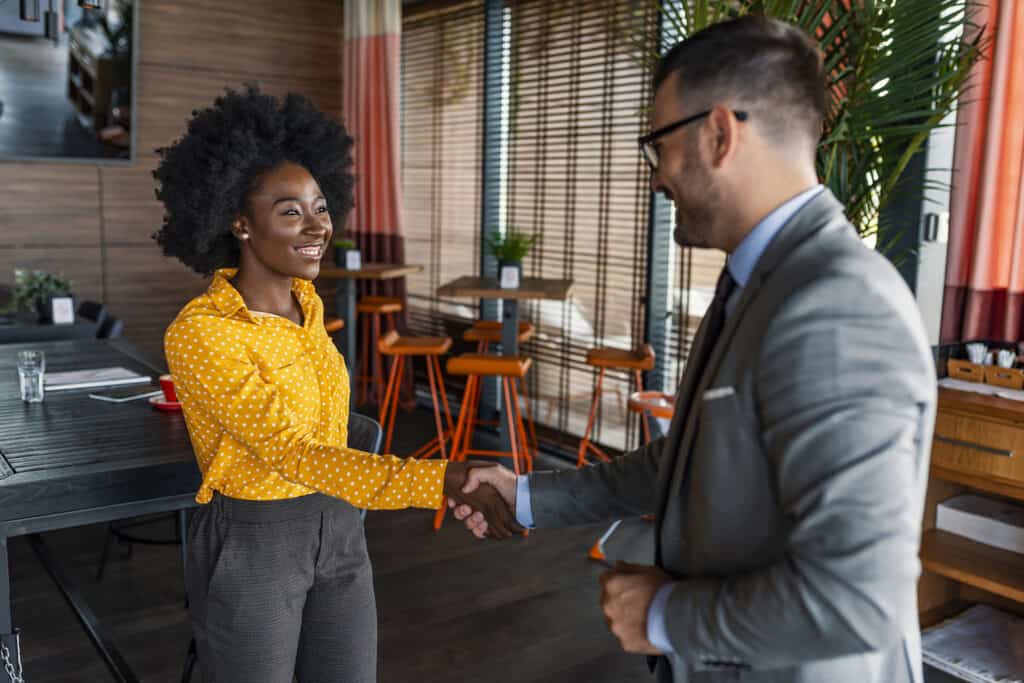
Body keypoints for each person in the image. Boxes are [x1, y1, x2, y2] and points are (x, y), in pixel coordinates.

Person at [452, 16, 936, 683]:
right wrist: (525, 494)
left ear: (718, 134)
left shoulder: (837, 305)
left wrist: (664, 613)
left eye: (658, 146)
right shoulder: (753, 279)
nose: (656, 178)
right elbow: (687, 461)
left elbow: (857, 601)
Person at [155, 85, 521, 683]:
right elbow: (291, 452)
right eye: (291, 210)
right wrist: (444, 478)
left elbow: (332, 431)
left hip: (342, 527)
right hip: (257, 541)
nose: (317, 226)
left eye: (321, 206)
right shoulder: (203, 332)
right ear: (240, 223)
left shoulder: (307, 304)